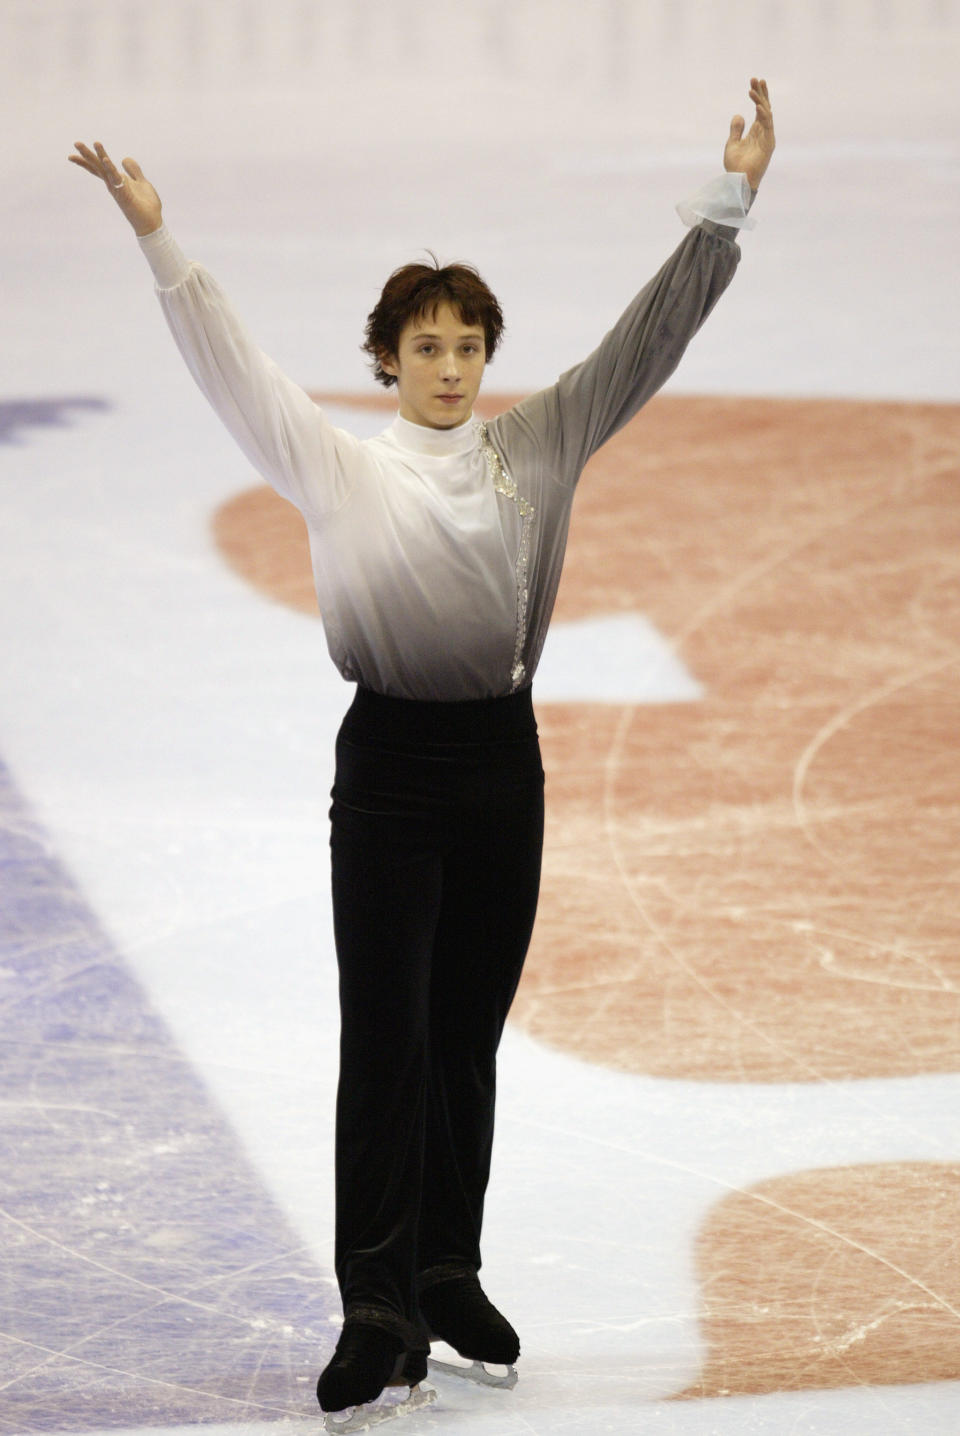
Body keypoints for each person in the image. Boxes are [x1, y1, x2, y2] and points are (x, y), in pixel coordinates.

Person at [70, 77, 775, 1427]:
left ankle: (446, 1273)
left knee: (464, 1039)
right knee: (384, 1038)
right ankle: (374, 1304)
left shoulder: (542, 446)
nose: (450, 367)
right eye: (426, 346)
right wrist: (160, 238)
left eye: (467, 345)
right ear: (386, 360)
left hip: (503, 772)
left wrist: (727, 202)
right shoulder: (344, 469)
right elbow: (231, 367)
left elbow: (650, 338)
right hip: (389, 772)